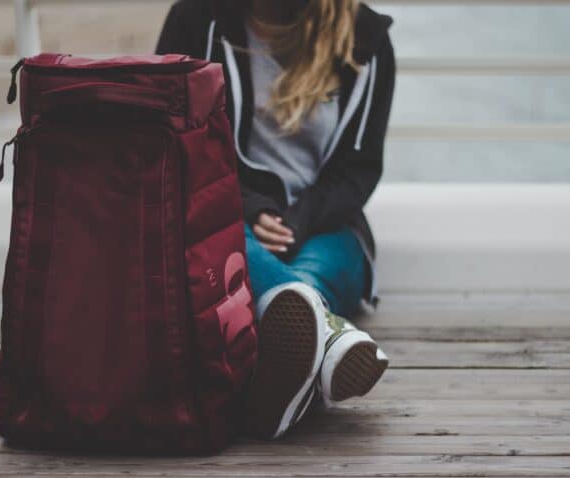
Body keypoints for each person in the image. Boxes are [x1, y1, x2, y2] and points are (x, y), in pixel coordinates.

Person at [156, 0, 395, 439]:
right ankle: (327, 339)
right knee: (225, 246)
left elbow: (359, 170)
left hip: (327, 224)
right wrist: (246, 204)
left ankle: (299, 337)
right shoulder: (197, 19)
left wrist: (299, 219)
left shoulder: (367, 37)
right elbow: (168, 136)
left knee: (310, 276)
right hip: (221, 214)